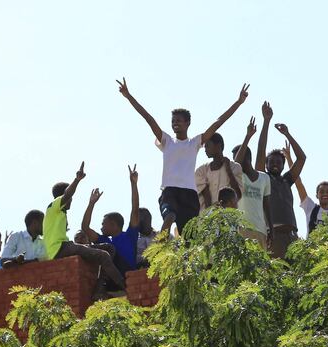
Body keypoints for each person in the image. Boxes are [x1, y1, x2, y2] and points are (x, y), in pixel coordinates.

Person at [117, 76, 249, 234]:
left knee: (189, 234)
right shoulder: (167, 141)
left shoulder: (194, 143)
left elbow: (218, 122)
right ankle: (159, 244)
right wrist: (128, 96)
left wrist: (239, 102)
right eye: (173, 121)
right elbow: (148, 118)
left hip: (189, 194)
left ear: (187, 123)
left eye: (179, 120)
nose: (175, 123)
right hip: (170, 191)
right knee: (170, 215)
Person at [44, 162, 125, 298]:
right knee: (103, 255)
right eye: (71, 199)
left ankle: (99, 289)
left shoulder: (59, 213)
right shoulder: (54, 206)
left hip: (65, 246)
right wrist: (77, 180)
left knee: (108, 248)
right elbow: (67, 194)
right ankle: (126, 287)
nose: (71, 202)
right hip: (58, 248)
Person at [255, 102, 306, 258]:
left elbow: (302, 158)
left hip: (292, 236)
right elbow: (261, 152)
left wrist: (287, 134)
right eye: (272, 162)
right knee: (276, 274)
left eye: (279, 162)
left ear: (284, 165)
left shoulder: (286, 181)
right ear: (266, 164)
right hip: (274, 235)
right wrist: (266, 121)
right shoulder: (263, 178)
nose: (275, 164)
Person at [81, 164, 141, 276]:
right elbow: (85, 228)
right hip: (112, 279)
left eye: (104, 224)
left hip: (129, 276)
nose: (101, 227)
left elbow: (135, 210)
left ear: (114, 225)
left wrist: (133, 184)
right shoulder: (105, 241)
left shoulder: (129, 236)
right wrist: (91, 204)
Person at [234, 116, 273, 249]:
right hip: (241, 229)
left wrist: (270, 229)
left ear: (247, 158)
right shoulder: (239, 177)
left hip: (260, 230)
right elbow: (236, 164)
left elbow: (267, 206)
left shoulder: (264, 178)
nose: (235, 163)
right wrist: (248, 136)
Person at [195, 133, 243, 209]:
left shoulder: (235, 167)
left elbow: (237, 195)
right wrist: (211, 216)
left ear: (218, 146)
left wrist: (228, 170)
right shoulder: (201, 170)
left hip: (228, 217)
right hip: (207, 216)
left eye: (208, 145)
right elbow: (206, 197)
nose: (205, 149)